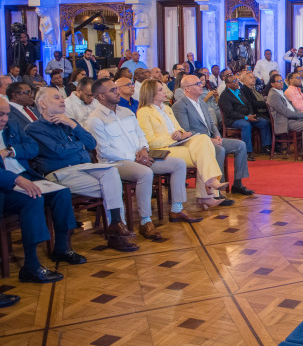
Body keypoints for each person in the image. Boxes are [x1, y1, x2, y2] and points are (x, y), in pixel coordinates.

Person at [25, 87, 138, 252]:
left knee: (112, 172)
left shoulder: (68, 122)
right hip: (60, 172)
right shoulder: (34, 128)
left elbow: (91, 143)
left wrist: (72, 124)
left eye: (62, 97)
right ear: (42, 103)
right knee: (112, 187)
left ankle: (116, 224)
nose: (62, 100)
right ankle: (116, 233)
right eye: (56, 98)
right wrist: (80, 145)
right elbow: (59, 151)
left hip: (84, 167)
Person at [87, 78, 200, 240]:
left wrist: (143, 149)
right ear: (101, 96)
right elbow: (104, 151)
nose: (117, 92)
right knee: (145, 173)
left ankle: (176, 209)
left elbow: (140, 135)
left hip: (140, 157)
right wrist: (134, 157)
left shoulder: (126, 112)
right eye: (113, 90)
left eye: (116, 89)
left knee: (178, 164)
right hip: (116, 163)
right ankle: (145, 221)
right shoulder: (95, 119)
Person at [0, 97, 85, 290]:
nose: (4, 118)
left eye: (6, 114)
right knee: (33, 198)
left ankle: (62, 248)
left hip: (25, 175)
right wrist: (15, 179)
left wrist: (10, 151)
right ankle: (31, 265)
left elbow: (32, 148)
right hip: (5, 186)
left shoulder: (12, 126)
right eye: (0, 114)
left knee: (62, 192)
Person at [136, 79, 229, 209]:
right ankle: (207, 189)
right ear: (150, 93)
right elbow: (150, 141)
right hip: (163, 149)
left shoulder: (166, 108)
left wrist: (180, 133)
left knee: (203, 139)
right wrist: (174, 138)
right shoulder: (144, 112)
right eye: (160, 90)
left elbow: (178, 128)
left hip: (178, 143)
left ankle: (209, 185)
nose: (165, 92)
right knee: (202, 153)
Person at [172, 75, 254, 196]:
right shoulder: (180, 105)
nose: (202, 85)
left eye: (201, 83)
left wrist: (217, 135)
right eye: (198, 84)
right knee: (219, 150)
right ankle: (217, 191)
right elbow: (186, 131)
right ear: (188, 88)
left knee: (240, 145)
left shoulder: (202, 103)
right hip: (197, 143)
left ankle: (238, 184)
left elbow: (211, 123)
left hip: (211, 138)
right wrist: (210, 140)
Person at [266, 74, 303, 163]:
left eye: (281, 80)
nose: (281, 82)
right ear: (272, 84)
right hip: (285, 121)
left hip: (292, 119)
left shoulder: (280, 92)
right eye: (278, 81)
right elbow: (286, 113)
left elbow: (293, 108)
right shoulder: (274, 95)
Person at [219, 73, 271, 160]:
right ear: (227, 84)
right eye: (234, 81)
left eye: (237, 80)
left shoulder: (240, 91)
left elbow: (248, 104)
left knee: (264, 122)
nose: (237, 83)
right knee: (246, 125)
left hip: (247, 116)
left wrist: (250, 114)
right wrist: (246, 117)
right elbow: (230, 113)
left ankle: (265, 147)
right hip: (233, 120)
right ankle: (247, 152)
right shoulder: (225, 96)